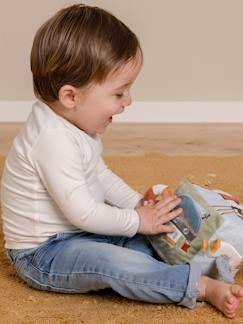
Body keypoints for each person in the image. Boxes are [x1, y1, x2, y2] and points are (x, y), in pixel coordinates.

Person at [1, 3, 243, 319]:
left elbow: (100, 176)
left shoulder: (75, 125)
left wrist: (142, 208)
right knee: (115, 264)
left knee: (149, 238)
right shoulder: (51, 140)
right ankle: (200, 286)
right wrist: (137, 220)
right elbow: (84, 213)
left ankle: (212, 255)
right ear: (71, 97)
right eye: (119, 93)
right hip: (44, 254)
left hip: (80, 232)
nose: (128, 101)